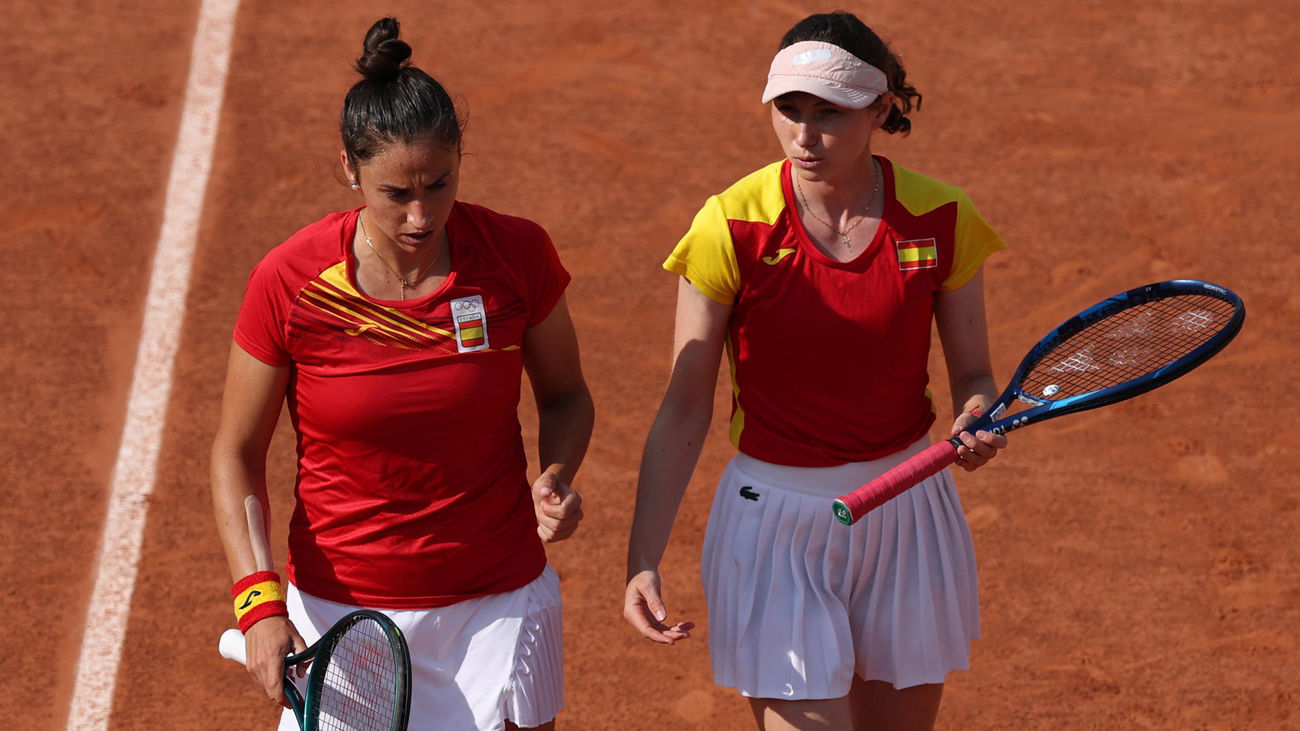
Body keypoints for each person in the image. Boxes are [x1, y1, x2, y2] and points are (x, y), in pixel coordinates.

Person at [623, 11, 1008, 731]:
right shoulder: (730, 226)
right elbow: (684, 406)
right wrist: (642, 555)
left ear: (880, 109)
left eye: (827, 114)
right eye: (788, 110)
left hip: (907, 509)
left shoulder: (941, 218)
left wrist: (977, 417)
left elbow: (976, 376)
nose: (803, 135)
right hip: (777, 525)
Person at [211, 17, 593, 731]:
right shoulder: (291, 280)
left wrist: (556, 473)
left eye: (440, 185)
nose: (422, 214)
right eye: (395, 194)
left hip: (499, 600)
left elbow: (567, 395)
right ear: (350, 170)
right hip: (344, 611)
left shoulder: (516, 255)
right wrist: (259, 603)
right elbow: (236, 450)